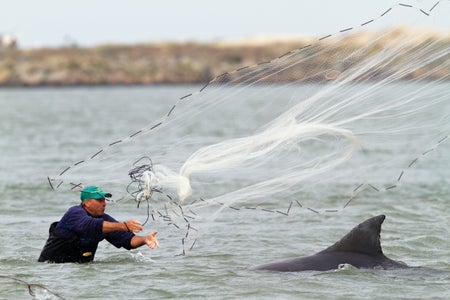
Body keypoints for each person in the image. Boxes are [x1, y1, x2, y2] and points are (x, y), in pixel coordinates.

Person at [38, 185, 159, 263]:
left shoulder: (105, 220)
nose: (104, 203)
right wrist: (124, 225)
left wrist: (145, 239)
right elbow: (90, 225)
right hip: (51, 269)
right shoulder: (74, 213)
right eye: (99, 200)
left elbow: (129, 240)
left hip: (79, 272)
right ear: (87, 203)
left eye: (104, 200)